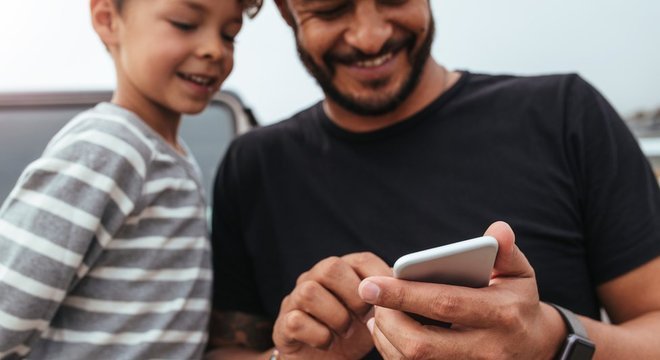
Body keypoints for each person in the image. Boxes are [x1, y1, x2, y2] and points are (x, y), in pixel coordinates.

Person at [207, 0, 660, 359]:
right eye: (329, 9)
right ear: (287, 11)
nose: (370, 36)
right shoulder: (253, 167)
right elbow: (226, 349)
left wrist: (555, 342)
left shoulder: (564, 115)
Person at [0, 0, 261, 358]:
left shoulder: (167, 154)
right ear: (107, 19)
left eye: (229, 35)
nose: (214, 49)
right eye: (185, 24)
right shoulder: (107, 147)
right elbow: (8, 308)